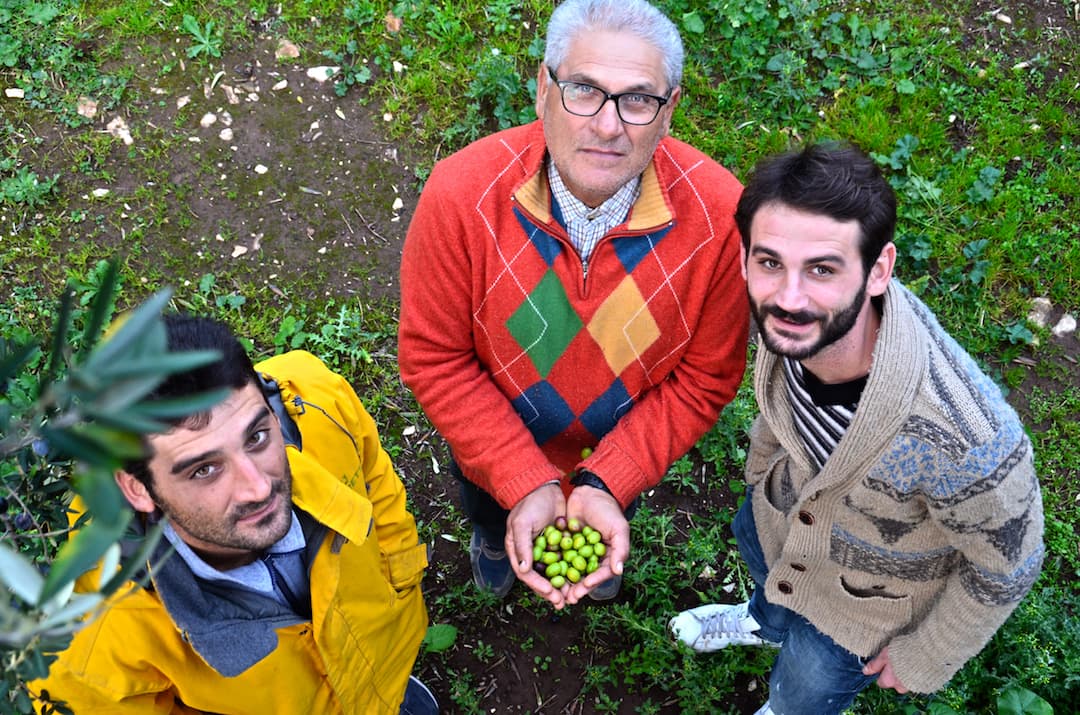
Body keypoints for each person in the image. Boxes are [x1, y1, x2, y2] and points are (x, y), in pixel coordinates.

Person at [669, 143, 1045, 714]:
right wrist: (758, 477)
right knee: (768, 591)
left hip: (856, 612)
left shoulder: (967, 443)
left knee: (802, 690)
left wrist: (927, 655)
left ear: (879, 271)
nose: (788, 299)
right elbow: (778, 408)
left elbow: (1009, 564)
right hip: (778, 526)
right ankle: (761, 622)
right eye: (768, 262)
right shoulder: (793, 326)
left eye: (822, 269)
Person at [398, 0, 748, 608]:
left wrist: (610, 480)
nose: (609, 125)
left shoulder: (722, 220)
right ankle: (490, 534)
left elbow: (705, 378)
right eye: (583, 90)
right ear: (542, 90)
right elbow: (435, 358)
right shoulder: (459, 196)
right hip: (491, 446)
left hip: (619, 451)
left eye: (638, 99)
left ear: (670, 111)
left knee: (610, 500)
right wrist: (519, 478)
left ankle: (603, 519)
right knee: (483, 500)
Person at [31, 315, 438, 714]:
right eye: (204, 469)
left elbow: (376, 480)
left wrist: (398, 575)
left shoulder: (314, 399)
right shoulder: (91, 642)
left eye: (257, 437)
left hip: (383, 664)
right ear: (137, 487)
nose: (259, 488)